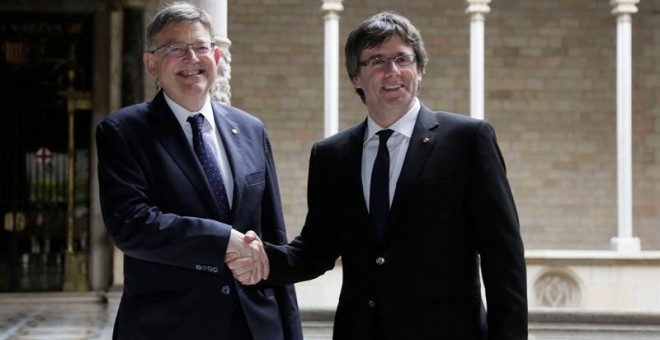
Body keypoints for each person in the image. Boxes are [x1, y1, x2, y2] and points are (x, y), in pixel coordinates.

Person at [228, 11, 528, 340]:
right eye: (376, 61)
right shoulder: (331, 155)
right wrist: (262, 259)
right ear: (356, 77)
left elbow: (503, 258)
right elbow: (315, 250)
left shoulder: (468, 140)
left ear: (420, 69)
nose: (392, 72)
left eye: (403, 58)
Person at [96, 2, 302, 339]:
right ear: (152, 64)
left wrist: (291, 332)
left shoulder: (251, 130)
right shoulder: (123, 131)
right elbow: (131, 224)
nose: (191, 59)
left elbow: (273, 239)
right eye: (174, 48)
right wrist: (225, 241)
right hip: (168, 327)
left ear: (217, 58)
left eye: (201, 47)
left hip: (254, 326)